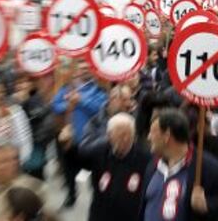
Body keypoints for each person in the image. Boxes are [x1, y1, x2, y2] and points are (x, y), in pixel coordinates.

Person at [140, 108, 218, 221]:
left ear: (167, 136)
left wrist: (206, 206)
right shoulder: (153, 166)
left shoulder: (208, 168)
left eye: (152, 132)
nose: (149, 137)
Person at [52, 59, 107, 207]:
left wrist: (81, 100)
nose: (84, 71)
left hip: (92, 139)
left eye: (87, 68)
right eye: (81, 68)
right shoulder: (67, 88)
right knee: (69, 169)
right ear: (76, 70)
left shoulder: (98, 90)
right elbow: (56, 105)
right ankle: (71, 195)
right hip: (71, 139)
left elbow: (100, 107)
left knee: (96, 170)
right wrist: (69, 104)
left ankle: (98, 196)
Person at [78, 113, 150, 221]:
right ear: (109, 136)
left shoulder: (145, 159)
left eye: (127, 134)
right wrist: (68, 148)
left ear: (134, 135)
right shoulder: (100, 151)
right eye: (120, 135)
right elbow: (80, 160)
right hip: (101, 215)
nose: (124, 139)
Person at [0, 78, 33, 164]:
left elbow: (25, 139)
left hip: (16, 161)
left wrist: (20, 161)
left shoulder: (16, 112)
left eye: (0, 92)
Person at [79, 85, 132, 151]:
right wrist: (109, 138)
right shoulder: (95, 122)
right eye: (124, 100)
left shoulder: (131, 120)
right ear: (113, 99)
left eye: (130, 99)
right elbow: (84, 149)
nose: (129, 104)